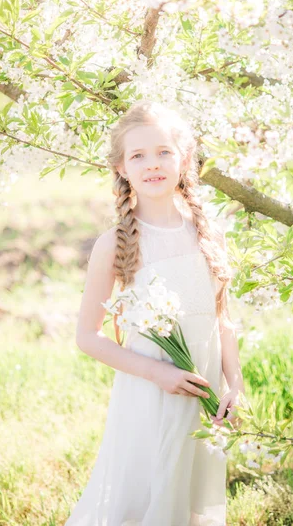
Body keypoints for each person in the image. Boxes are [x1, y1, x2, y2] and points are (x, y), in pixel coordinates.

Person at [65, 100, 245, 526]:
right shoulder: (116, 242)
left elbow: (222, 320)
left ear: (184, 158)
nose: (153, 164)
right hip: (152, 391)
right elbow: (87, 336)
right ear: (122, 167)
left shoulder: (208, 232)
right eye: (138, 155)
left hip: (204, 387)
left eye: (164, 152)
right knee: (146, 494)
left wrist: (235, 384)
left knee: (188, 499)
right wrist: (157, 373)